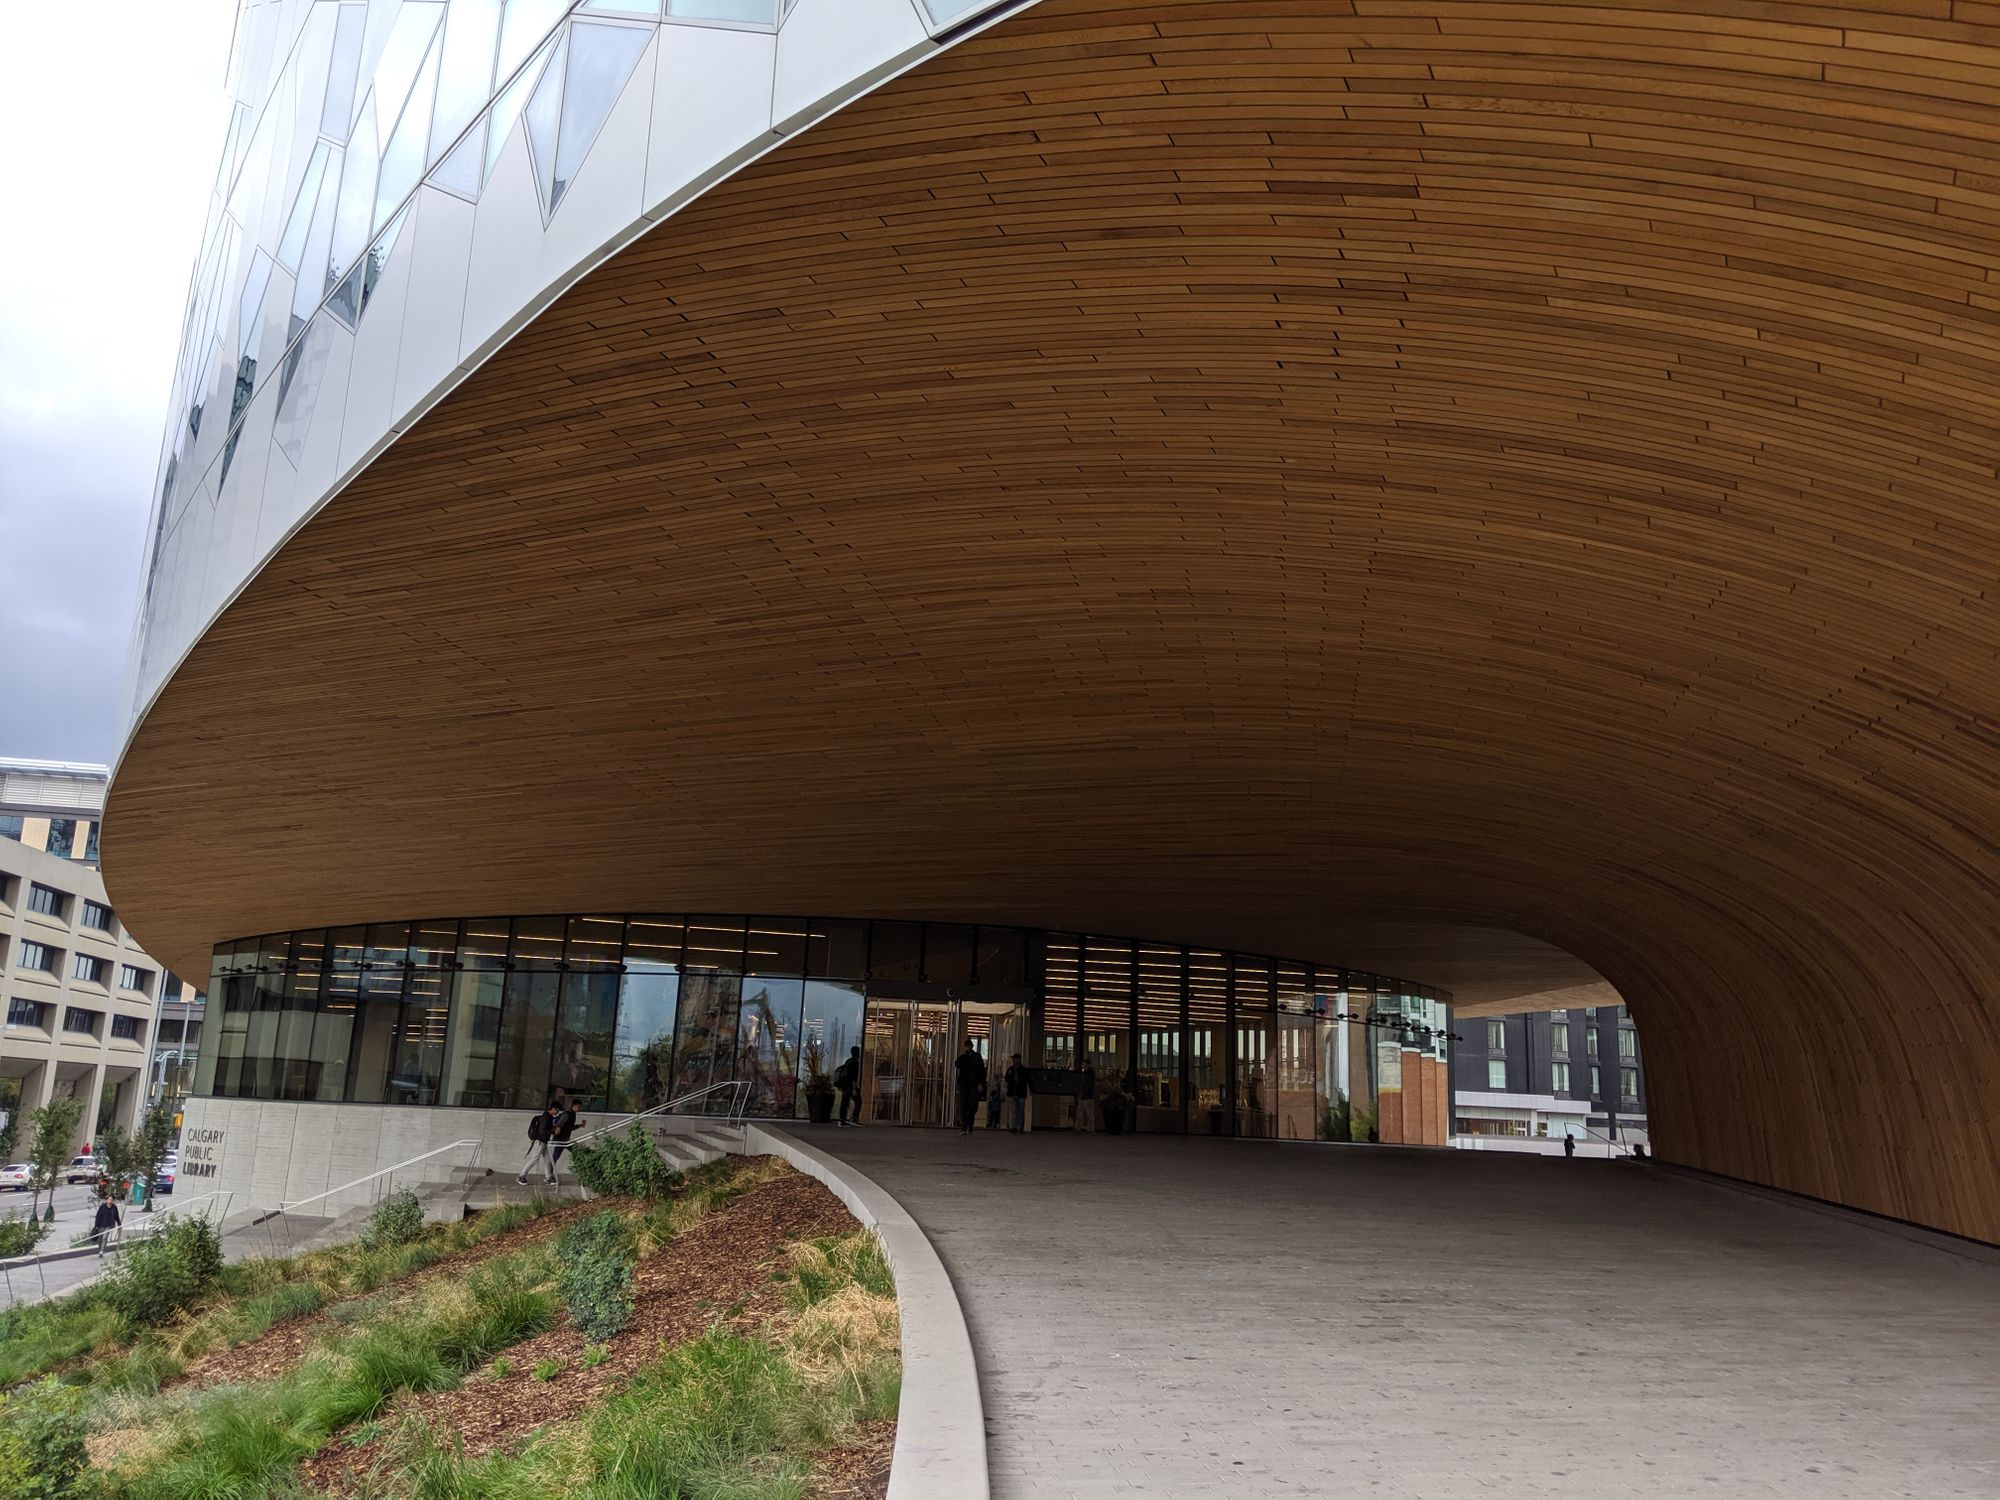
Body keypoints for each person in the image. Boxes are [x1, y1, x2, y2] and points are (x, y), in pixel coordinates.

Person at [519, 1101, 562, 1183]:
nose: (557, 1112)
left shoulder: (548, 1116)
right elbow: (542, 1130)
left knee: (548, 1160)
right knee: (535, 1159)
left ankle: (548, 1177)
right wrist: (553, 1132)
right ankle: (521, 1176)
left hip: (544, 1141)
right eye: (557, 1110)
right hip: (540, 1141)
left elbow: (545, 1128)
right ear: (553, 1108)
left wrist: (553, 1129)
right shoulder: (546, 1117)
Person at [547, 1096, 584, 1184]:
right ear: (574, 1105)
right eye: (579, 1107)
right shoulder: (567, 1114)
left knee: (556, 1157)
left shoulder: (572, 1114)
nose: (580, 1108)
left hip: (565, 1140)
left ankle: (549, 1175)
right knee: (555, 1157)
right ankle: (548, 1175)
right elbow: (559, 1125)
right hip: (561, 1140)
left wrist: (580, 1126)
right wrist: (557, 1130)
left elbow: (570, 1128)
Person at [953, 1042, 987, 1134]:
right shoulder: (963, 1057)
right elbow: (957, 1064)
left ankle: (970, 1124)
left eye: (969, 1046)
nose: (967, 1048)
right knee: (963, 1105)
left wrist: (981, 1083)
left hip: (973, 1084)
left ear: (972, 1047)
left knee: (972, 1105)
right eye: (966, 1046)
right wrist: (964, 1055)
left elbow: (982, 1071)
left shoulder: (977, 1057)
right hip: (964, 1084)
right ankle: (964, 1127)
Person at [834, 1045, 862, 1127]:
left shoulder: (848, 1061)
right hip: (850, 1085)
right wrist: (854, 1088)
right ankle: (854, 1118)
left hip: (845, 1084)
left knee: (844, 1102)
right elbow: (853, 1077)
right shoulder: (855, 1063)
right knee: (858, 1101)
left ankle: (842, 1119)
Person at [1004, 1052, 1030, 1134]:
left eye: (1015, 1059)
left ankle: (1020, 1126)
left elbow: (1027, 1080)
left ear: (1018, 1060)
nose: (1013, 1060)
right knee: (1014, 1110)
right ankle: (1014, 1126)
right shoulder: (1010, 1069)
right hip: (1013, 1092)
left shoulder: (1024, 1070)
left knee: (1020, 1110)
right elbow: (1006, 1079)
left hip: (1021, 1092)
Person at [92, 1191, 121, 1257]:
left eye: (111, 1200)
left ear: (113, 1201)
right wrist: (96, 1225)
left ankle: (102, 1251)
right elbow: (98, 1216)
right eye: (109, 1199)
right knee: (100, 1238)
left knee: (105, 1237)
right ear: (107, 1200)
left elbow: (116, 1216)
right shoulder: (103, 1206)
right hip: (101, 1225)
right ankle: (100, 1250)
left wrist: (119, 1224)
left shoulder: (114, 1207)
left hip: (109, 1225)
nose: (110, 1201)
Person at [1076, 1062, 1099, 1133]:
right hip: (1087, 1096)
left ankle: (1079, 1127)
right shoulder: (1090, 1074)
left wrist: (1081, 1093)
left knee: (1082, 1112)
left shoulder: (1086, 1075)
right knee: (1088, 1113)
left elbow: (1085, 1085)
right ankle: (1090, 1128)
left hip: (1086, 1096)